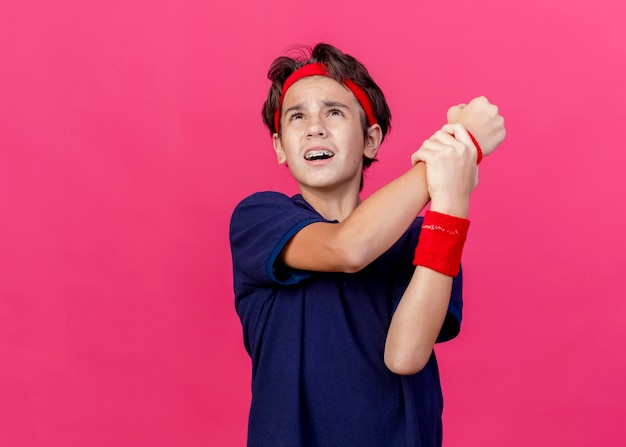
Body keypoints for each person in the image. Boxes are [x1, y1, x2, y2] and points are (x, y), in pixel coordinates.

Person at [230, 43, 505, 447]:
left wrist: (451, 202)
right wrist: (459, 147)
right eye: (297, 116)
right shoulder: (259, 218)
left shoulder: (420, 237)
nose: (315, 127)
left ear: (370, 140)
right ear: (279, 147)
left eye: (334, 112)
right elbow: (347, 248)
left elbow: (405, 356)